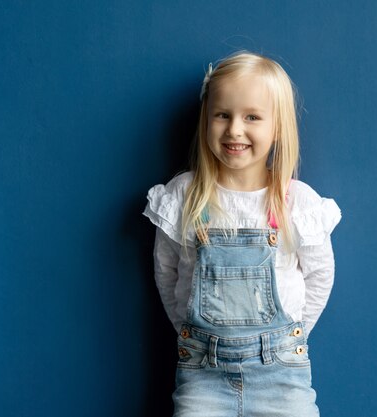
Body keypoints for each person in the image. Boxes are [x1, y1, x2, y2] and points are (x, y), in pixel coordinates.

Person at [142, 51, 341, 417]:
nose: (235, 129)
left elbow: (319, 276)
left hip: (282, 378)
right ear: (206, 120)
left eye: (252, 117)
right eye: (222, 115)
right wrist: (192, 338)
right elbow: (167, 273)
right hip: (203, 378)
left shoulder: (296, 201)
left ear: (277, 126)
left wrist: (291, 339)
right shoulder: (185, 195)